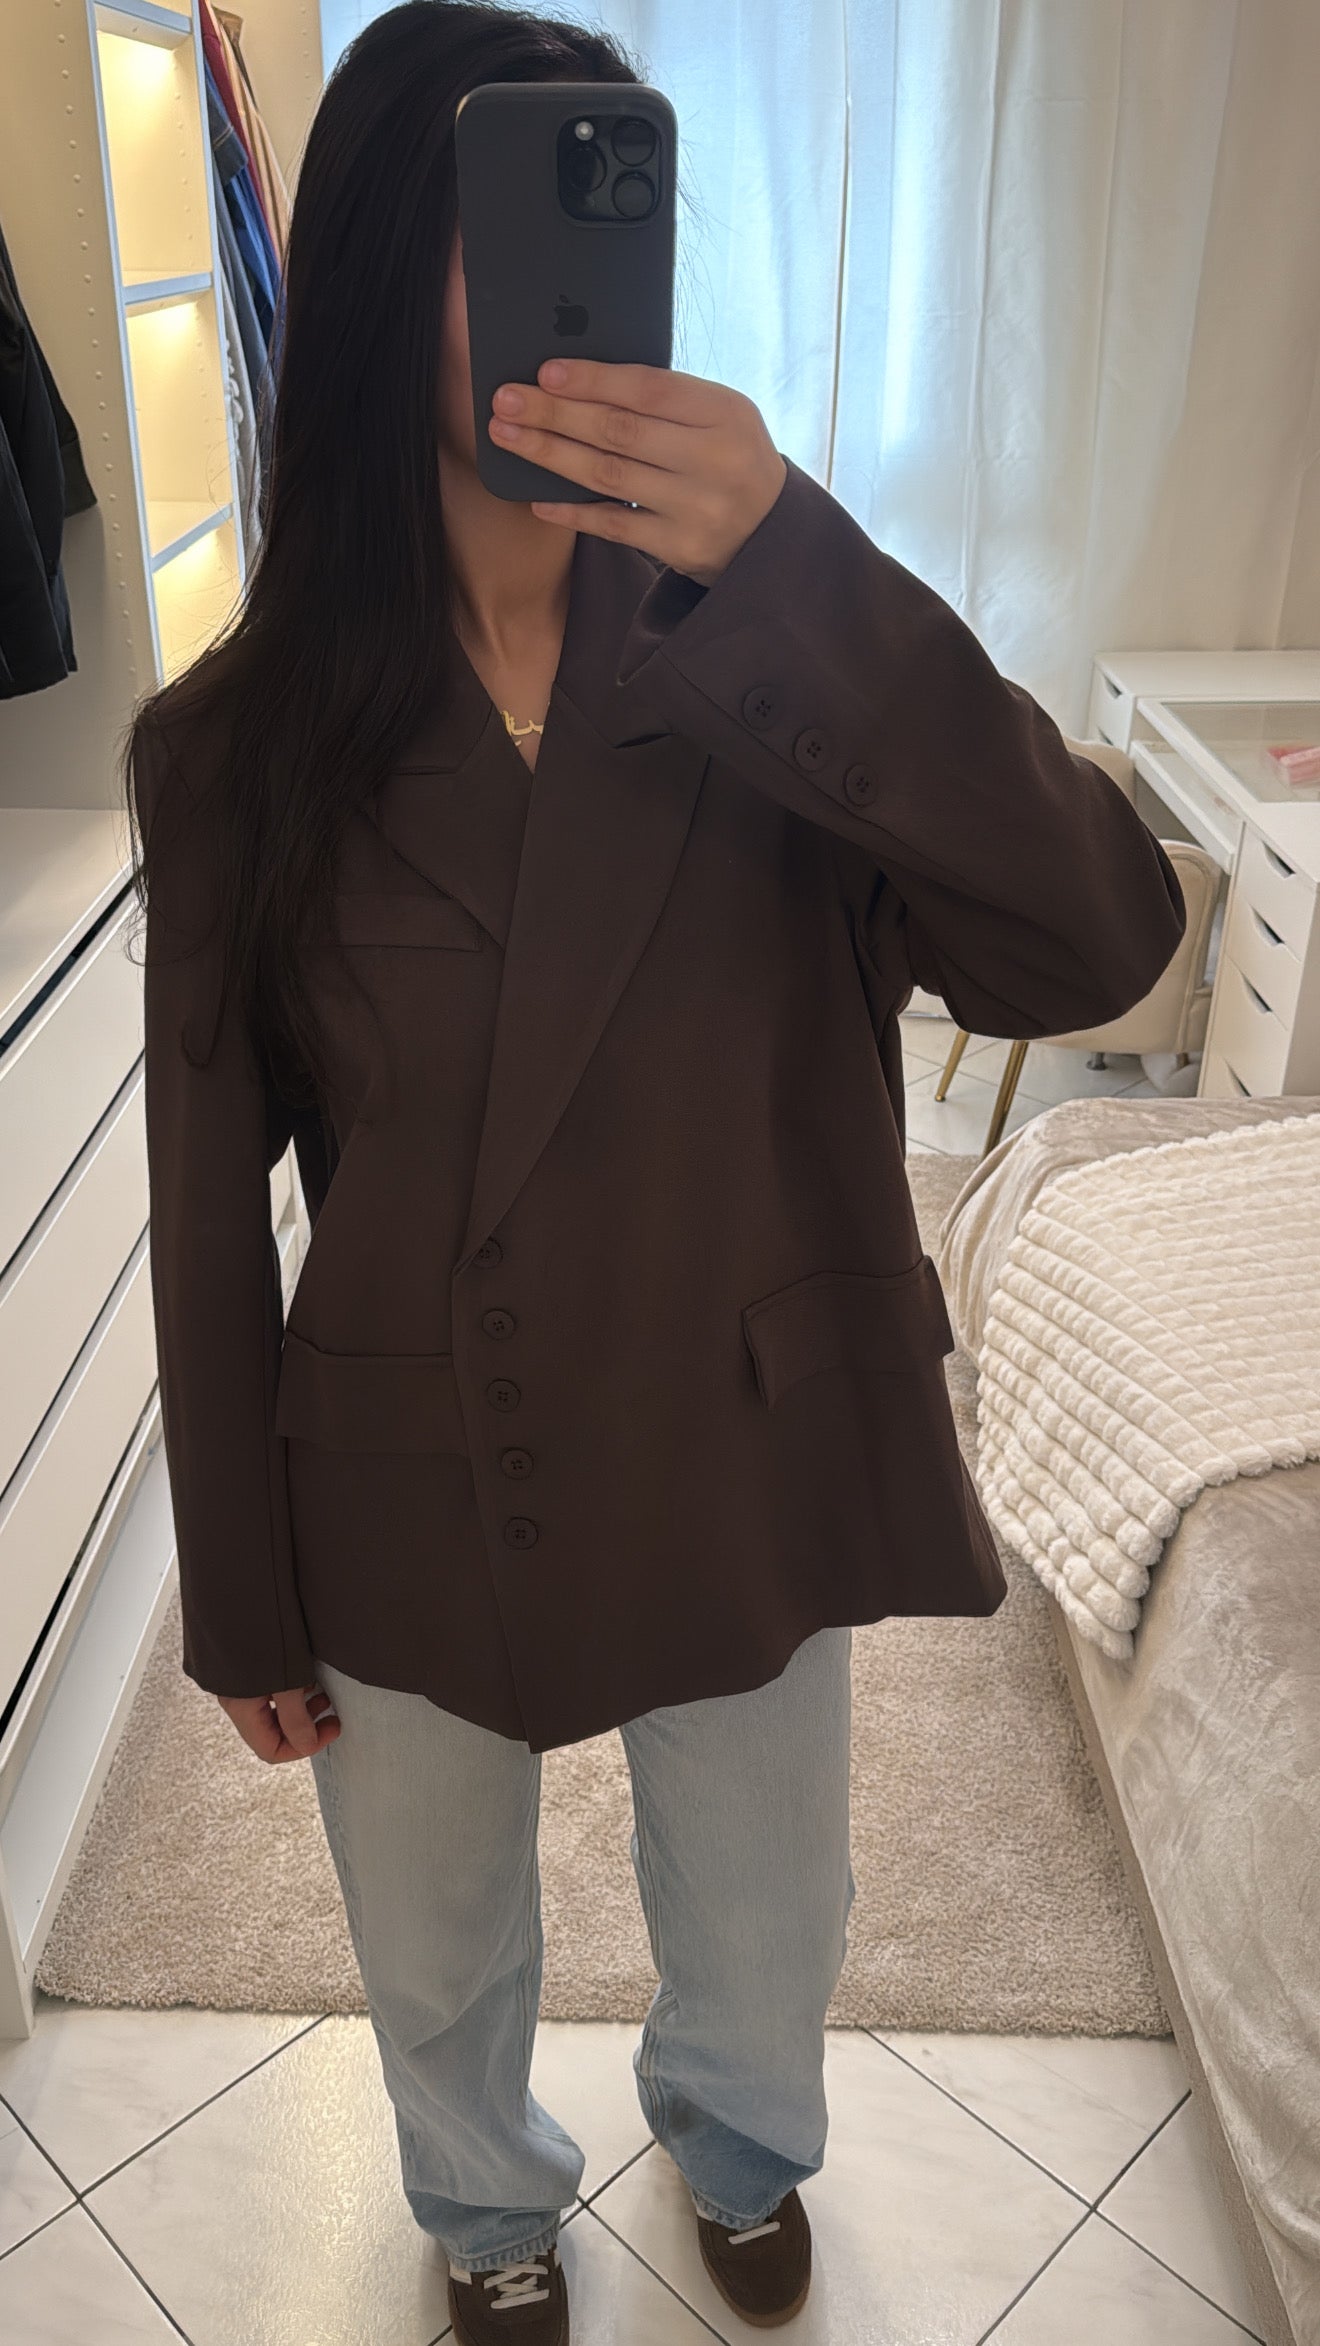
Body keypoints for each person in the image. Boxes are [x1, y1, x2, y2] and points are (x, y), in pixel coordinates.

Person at [124, 5, 1188, 2339]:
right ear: (384, 270)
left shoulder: (773, 663)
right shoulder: (236, 749)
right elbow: (207, 1208)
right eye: (504, 224)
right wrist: (241, 1596)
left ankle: (737, 2144)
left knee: (767, 1906)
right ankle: (486, 2208)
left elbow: (1103, 943)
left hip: (741, 1415)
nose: (567, 293)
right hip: (411, 1441)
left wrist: (801, 565)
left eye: (610, 217)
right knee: (431, 1936)